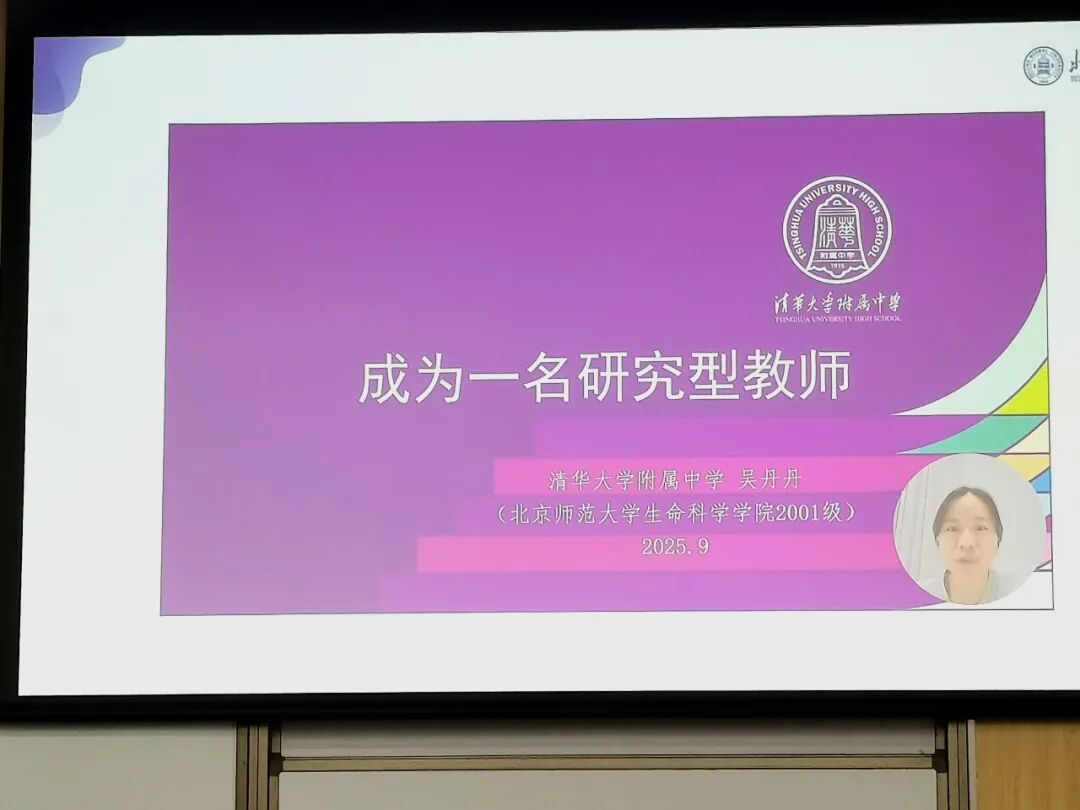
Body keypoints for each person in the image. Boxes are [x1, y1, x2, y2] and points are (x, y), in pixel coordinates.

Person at [920, 487, 1004, 604]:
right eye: (952, 529)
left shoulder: (1023, 595)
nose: (967, 543)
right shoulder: (915, 596)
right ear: (937, 540)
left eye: (980, 528)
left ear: (998, 538)